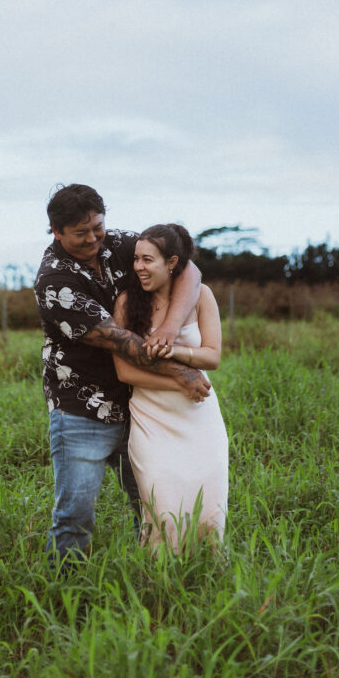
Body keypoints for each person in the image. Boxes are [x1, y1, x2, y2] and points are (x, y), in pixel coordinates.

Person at [33, 184, 211, 567]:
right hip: (80, 408)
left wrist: (170, 327)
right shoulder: (54, 281)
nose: (94, 238)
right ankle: (65, 591)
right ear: (56, 230)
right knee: (75, 514)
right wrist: (179, 370)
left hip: (138, 403)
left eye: (98, 226)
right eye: (81, 233)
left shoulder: (120, 243)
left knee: (151, 503)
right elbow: (119, 340)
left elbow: (188, 269)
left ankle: (153, 578)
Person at [112, 224, 228, 551]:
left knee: (208, 513)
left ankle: (205, 583)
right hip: (152, 421)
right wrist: (178, 378)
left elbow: (213, 356)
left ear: (172, 262)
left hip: (199, 418)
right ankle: (158, 588)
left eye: (147, 260)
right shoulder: (125, 304)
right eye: (136, 259)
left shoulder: (201, 295)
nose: (138, 267)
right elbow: (124, 371)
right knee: (163, 512)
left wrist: (172, 349)